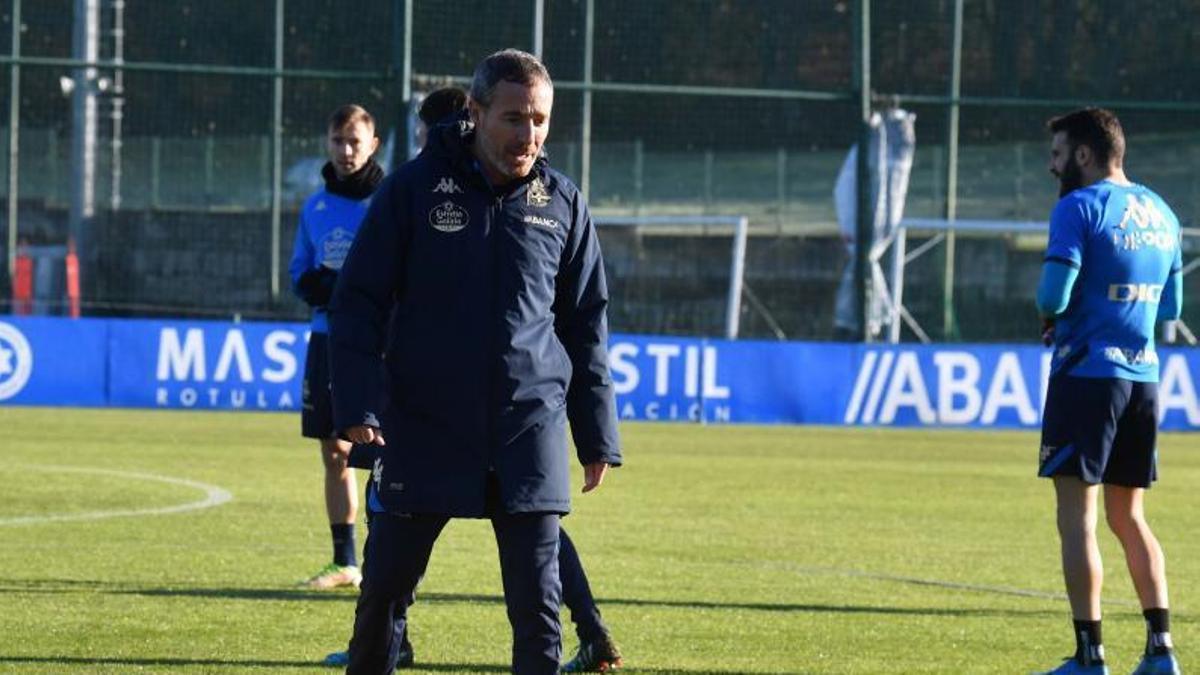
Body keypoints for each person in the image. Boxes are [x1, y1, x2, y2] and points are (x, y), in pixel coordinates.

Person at [328, 49, 622, 674]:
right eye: (514, 118)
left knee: (538, 608)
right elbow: (358, 302)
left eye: (540, 119)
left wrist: (597, 432)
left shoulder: (562, 202)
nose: (529, 134)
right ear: (477, 112)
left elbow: (584, 325)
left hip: (528, 428)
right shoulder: (412, 190)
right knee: (384, 596)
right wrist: (356, 403)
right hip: (426, 423)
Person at [1034, 108, 1182, 675]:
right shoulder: (1162, 212)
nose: (1053, 166)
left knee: (1079, 519)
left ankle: (1089, 657)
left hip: (1086, 378)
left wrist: (1058, 313)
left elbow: (1052, 296)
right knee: (1131, 518)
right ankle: (1160, 650)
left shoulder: (1078, 208)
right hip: (1142, 379)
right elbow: (1168, 309)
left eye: (1057, 154)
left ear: (1085, 155)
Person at [288, 103, 383, 590]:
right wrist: (332, 289)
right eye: (337, 141)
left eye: (354, 142)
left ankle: (384, 559)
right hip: (326, 339)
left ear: (373, 145)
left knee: (376, 452)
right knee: (334, 451)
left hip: (372, 343)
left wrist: (349, 290)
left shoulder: (386, 201)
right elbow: (299, 274)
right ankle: (345, 560)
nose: (345, 151)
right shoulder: (314, 208)